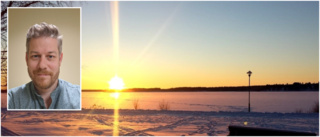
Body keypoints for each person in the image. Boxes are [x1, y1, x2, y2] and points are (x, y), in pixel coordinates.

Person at [8, 22, 80, 109]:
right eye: (35, 56)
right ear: (27, 59)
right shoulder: (11, 100)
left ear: (60, 59)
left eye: (50, 56)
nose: (42, 65)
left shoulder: (79, 97)